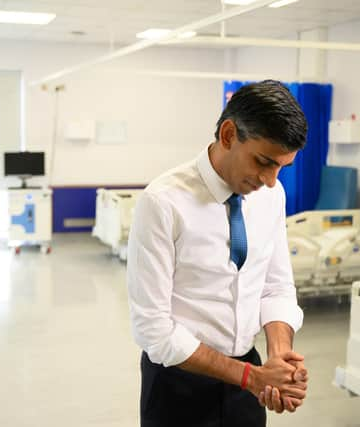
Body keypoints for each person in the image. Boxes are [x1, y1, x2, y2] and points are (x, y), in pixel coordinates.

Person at [127, 80, 309, 427]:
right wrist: (251, 377)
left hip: (248, 378)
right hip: (177, 385)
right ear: (228, 135)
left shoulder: (272, 196)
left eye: (281, 168)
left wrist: (280, 357)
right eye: (263, 162)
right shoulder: (163, 201)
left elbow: (276, 287)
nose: (271, 180)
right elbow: (153, 328)